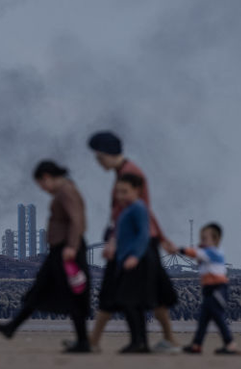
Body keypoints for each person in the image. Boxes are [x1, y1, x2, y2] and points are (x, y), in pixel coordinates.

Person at [87, 131, 180, 353]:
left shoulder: (130, 174)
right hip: (136, 239)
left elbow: (142, 210)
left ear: (107, 154)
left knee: (123, 292)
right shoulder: (124, 173)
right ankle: (93, 341)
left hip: (133, 242)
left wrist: (114, 241)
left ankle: (96, 342)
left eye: (98, 158)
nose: (97, 163)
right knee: (146, 294)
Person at [0, 160, 92, 353]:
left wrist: (71, 245)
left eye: (41, 184)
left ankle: (83, 342)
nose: (43, 189)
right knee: (39, 288)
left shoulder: (66, 191)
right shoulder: (64, 191)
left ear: (46, 177)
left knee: (72, 294)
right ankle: (12, 326)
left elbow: (77, 219)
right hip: (59, 251)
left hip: (66, 250)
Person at [173, 223, 241, 355]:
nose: (202, 241)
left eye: (204, 239)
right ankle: (197, 344)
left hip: (217, 289)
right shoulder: (209, 253)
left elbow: (194, 253)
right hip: (209, 291)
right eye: (201, 238)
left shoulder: (212, 252)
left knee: (218, 317)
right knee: (203, 319)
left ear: (215, 240)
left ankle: (230, 343)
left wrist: (178, 250)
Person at [110, 173, 154, 353]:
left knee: (129, 303)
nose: (120, 196)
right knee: (130, 304)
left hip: (134, 262)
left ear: (137, 190)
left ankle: (138, 341)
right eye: (118, 192)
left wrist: (134, 256)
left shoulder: (138, 208)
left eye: (124, 191)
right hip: (125, 260)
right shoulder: (126, 210)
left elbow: (144, 234)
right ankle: (140, 341)